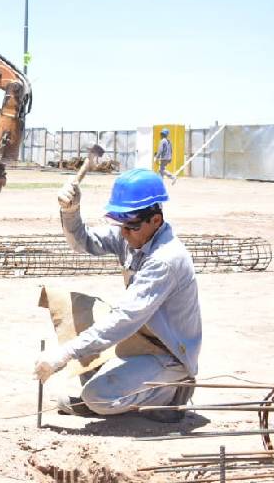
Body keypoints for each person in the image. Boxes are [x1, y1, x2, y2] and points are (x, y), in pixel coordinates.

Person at [34, 168, 202, 422]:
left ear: (155, 220)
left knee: (98, 397)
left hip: (167, 352)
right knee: (70, 306)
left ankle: (170, 393)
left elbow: (125, 319)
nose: (123, 233)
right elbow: (83, 242)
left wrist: (65, 353)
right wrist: (70, 212)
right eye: (121, 225)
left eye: (131, 227)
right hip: (141, 336)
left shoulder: (165, 260)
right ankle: (129, 387)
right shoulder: (133, 234)